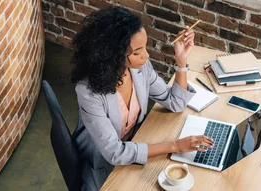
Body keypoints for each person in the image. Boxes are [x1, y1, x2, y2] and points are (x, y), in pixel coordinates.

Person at [70, 7, 215, 190]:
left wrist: (181, 61)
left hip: (134, 145)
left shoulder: (139, 68)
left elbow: (175, 102)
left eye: (144, 47)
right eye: (137, 52)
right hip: (103, 162)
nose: (146, 56)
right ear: (112, 55)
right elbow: (115, 153)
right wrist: (175, 146)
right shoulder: (88, 91)